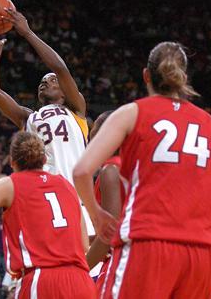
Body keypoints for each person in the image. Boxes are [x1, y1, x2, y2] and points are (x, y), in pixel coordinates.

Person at [73, 42, 211, 299]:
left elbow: (81, 171)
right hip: (202, 253)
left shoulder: (132, 112)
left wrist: (96, 214)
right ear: (184, 76)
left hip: (149, 243)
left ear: (146, 75)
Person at [0, 8, 94, 235]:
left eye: (50, 80)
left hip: (76, 195)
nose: (45, 82)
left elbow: (60, 68)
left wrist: (28, 33)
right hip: (44, 195)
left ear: (64, 90)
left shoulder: (75, 109)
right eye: (42, 81)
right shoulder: (28, 117)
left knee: (86, 262)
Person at [0, 132, 97, 299]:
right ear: (45, 160)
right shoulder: (66, 184)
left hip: (42, 279)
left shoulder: (8, 184)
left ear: (12, 162)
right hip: (81, 280)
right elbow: (84, 245)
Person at [86, 111, 124, 290]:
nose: (89, 135)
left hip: (121, 260)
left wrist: (80, 269)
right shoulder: (129, 165)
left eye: (93, 130)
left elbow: (111, 232)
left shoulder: (111, 169)